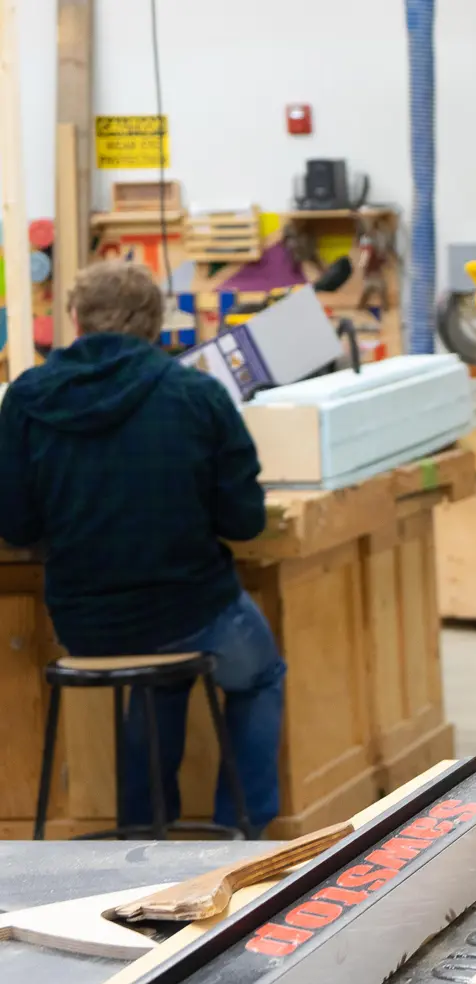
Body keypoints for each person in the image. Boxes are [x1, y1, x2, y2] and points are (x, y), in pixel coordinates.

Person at [0, 261, 284, 835]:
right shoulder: (197, 395)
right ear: (157, 324)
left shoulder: (27, 399)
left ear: (75, 320)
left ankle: (145, 831)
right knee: (258, 675)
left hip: (85, 624)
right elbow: (246, 522)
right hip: (193, 610)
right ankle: (244, 838)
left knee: (157, 674)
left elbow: (17, 526)